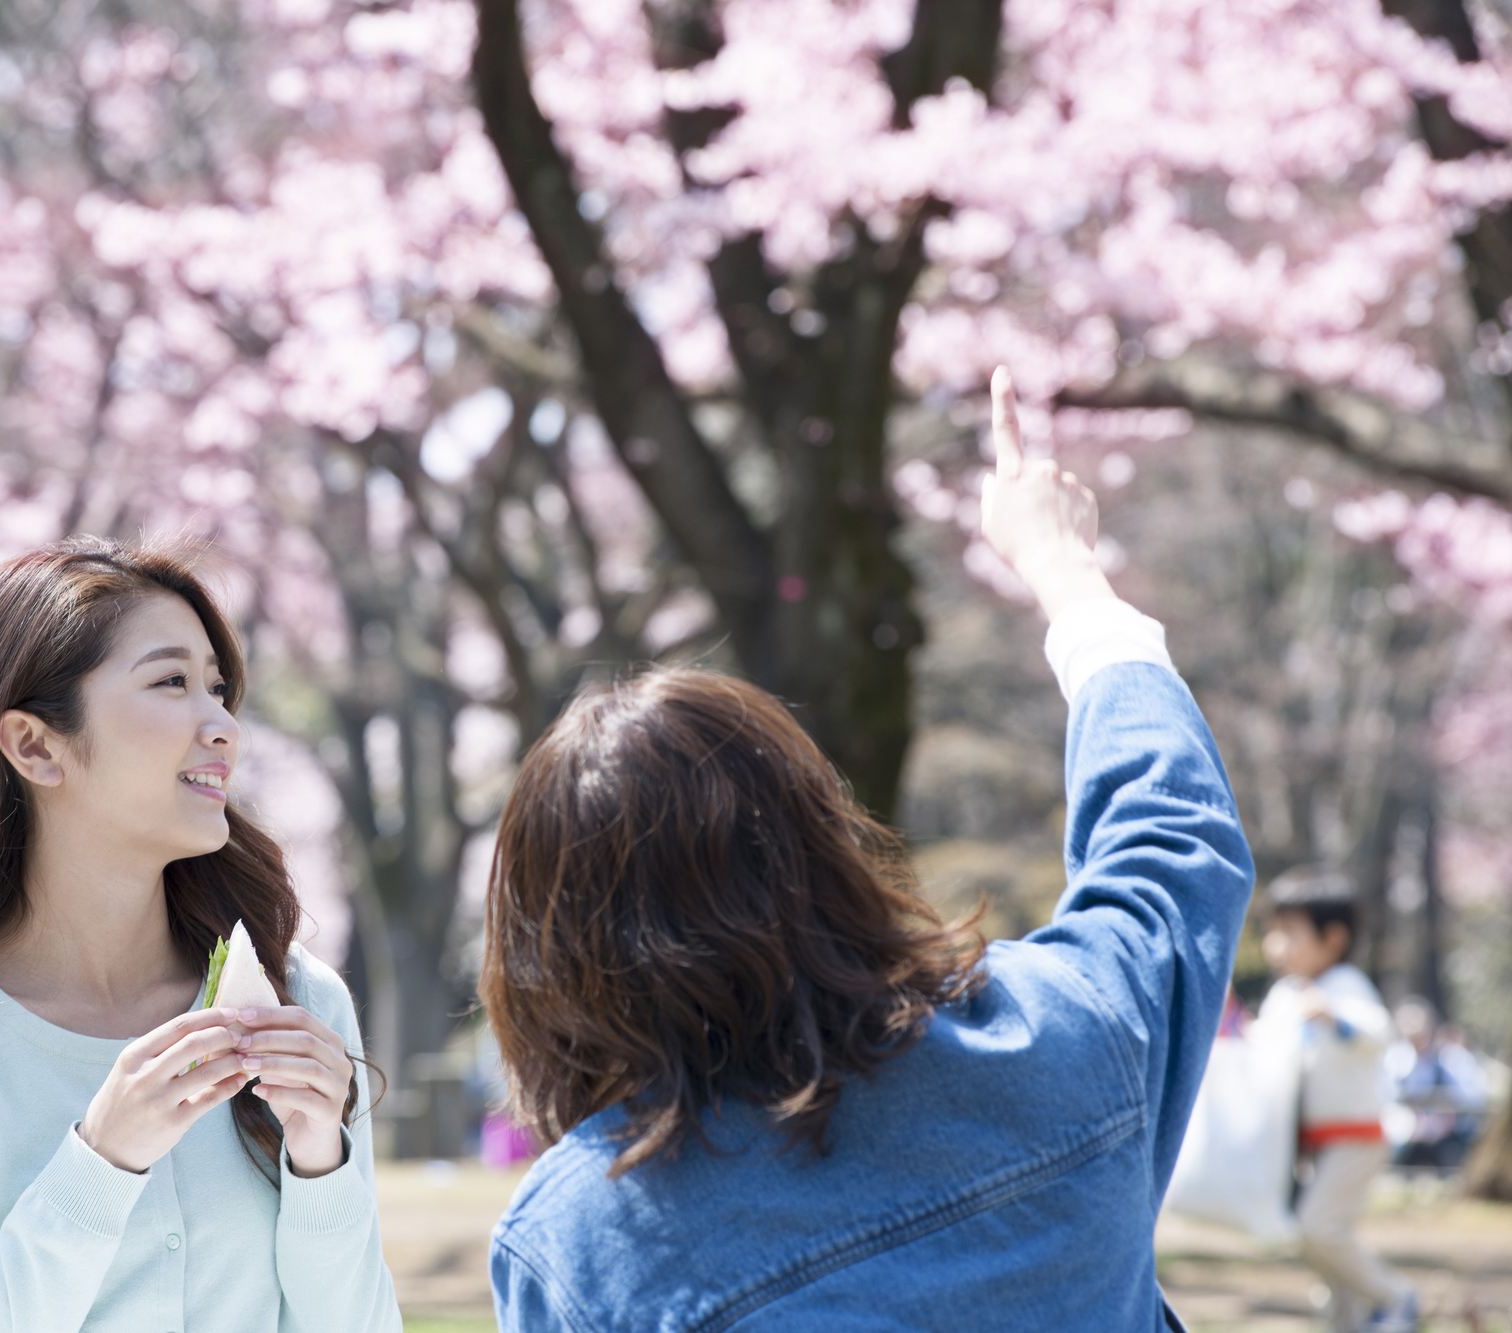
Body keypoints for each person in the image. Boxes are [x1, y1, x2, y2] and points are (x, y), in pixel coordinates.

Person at [480, 367, 1255, 1331]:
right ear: (822, 848)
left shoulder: (583, 1241)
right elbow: (1175, 836)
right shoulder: (1059, 1033)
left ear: (550, 951)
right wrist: (1066, 571)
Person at [0, 537, 400, 1333]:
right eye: (171, 682)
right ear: (33, 744)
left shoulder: (298, 1001)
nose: (223, 724)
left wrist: (320, 1165)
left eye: (219, 688)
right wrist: (100, 1162)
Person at [1258, 868, 1416, 1332]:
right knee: (1322, 1238)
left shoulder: (1345, 986)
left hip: (1357, 1134)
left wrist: (1335, 1019)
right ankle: (1350, 1320)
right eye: (1273, 933)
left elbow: (1378, 1032)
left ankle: (1395, 1297)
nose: (1275, 946)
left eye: (1289, 933)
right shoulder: (1285, 996)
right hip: (1311, 1141)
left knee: (1318, 1229)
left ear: (1333, 937)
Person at [1387, 999, 1491, 1175]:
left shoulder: (1452, 1059)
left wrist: (1446, 1105)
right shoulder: (1394, 1061)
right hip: (1408, 1139)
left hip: (1448, 1139)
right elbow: (1386, 1098)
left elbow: (1474, 1098)